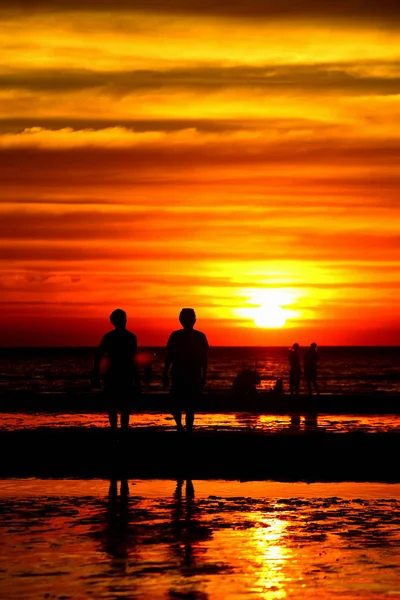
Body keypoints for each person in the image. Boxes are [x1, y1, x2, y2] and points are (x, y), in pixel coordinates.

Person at [92, 309, 140, 430]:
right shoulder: (130, 337)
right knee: (122, 407)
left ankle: (116, 429)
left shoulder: (110, 337)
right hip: (121, 375)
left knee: (115, 406)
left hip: (116, 375)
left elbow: (98, 355)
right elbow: (134, 359)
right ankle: (121, 430)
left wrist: (97, 373)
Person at [163, 308, 209, 433]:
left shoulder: (198, 336)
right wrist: (165, 373)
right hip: (181, 374)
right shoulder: (177, 336)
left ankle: (184, 428)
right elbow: (170, 357)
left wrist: (203, 377)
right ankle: (182, 426)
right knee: (182, 405)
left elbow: (203, 360)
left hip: (189, 375)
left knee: (187, 405)